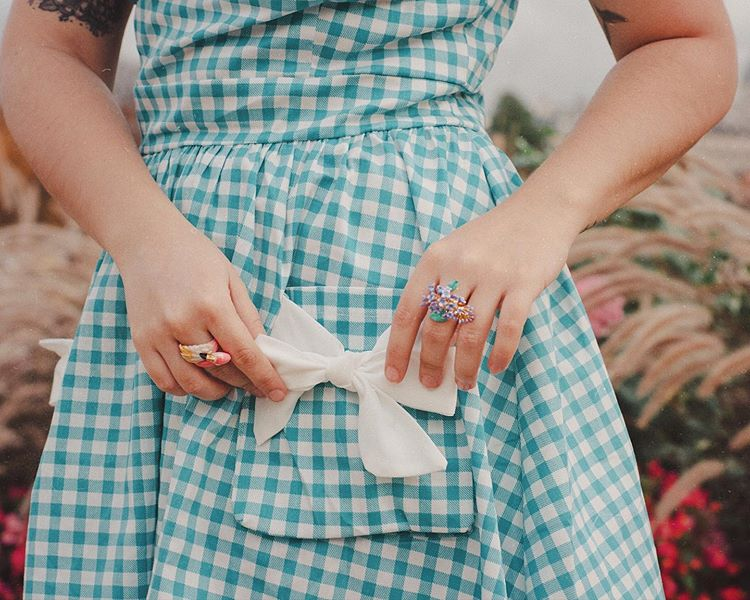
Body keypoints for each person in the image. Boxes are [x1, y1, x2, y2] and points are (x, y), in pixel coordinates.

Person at [0, 0, 738, 597]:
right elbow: (47, 52)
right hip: (169, 294)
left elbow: (683, 40)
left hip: (428, 303)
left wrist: (541, 217)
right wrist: (143, 242)